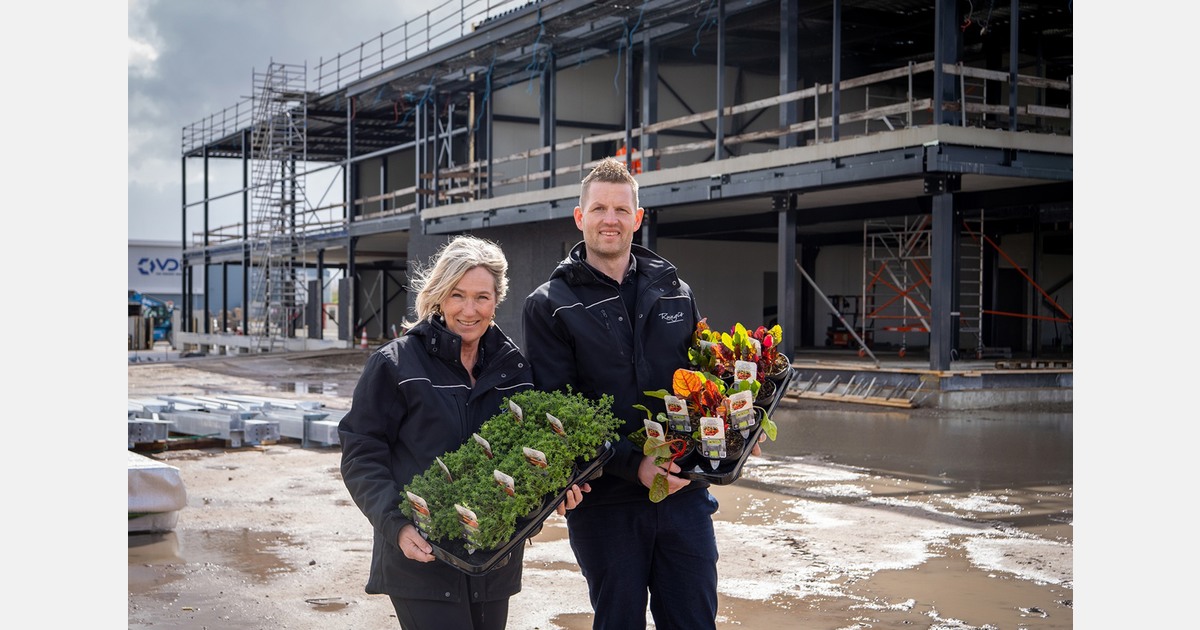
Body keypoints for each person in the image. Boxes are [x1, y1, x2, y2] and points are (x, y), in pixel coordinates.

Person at [339, 235, 588, 630]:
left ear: (496, 300)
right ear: (440, 296)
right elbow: (361, 454)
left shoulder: (513, 369)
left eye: (482, 297)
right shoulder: (397, 365)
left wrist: (555, 491)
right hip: (422, 559)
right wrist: (396, 526)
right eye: (458, 295)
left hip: (494, 563)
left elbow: (525, 460)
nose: (469, 310)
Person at [522, 157, 726, 630]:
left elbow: (702, 383)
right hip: (606, 504)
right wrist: (633, 465)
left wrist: (735, 428)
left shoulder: (675, 292)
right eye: (599, 209)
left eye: (620, 209)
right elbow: (560, 414)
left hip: (682, 493)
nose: (609, 219)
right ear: (580, 217)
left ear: (638, 218)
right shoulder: (550, 305)